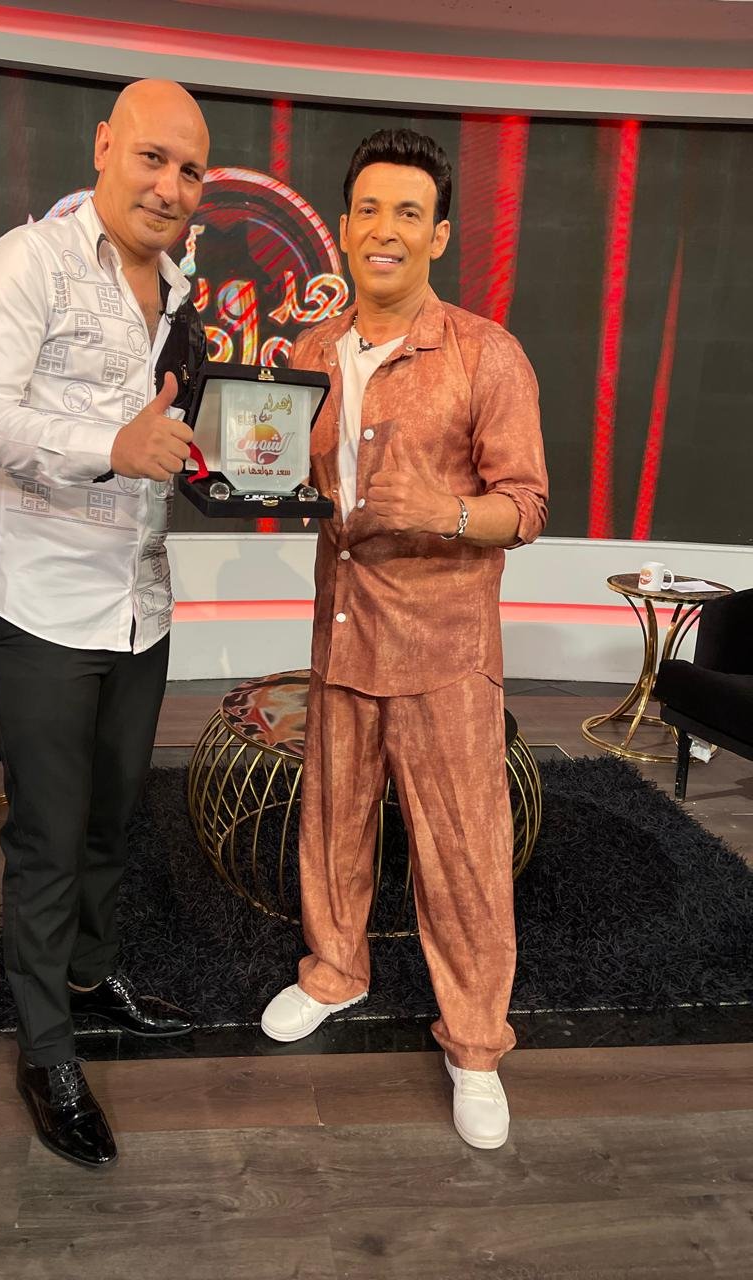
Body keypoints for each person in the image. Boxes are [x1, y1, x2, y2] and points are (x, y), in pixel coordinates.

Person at [260, 128, 548, 1151]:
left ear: (440, 234)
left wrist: (446, 511)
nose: (386, 230)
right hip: (342, 632)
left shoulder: (484, 352)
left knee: (463, 853)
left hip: (444, 648)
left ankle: (475, 1046)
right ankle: (336, 971)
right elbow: (275, 466)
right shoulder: (307, 355)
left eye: (409, 213)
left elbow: (526, 504)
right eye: (370, 210)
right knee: (332, 823)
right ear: (344, 227)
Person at [0, 80, 210, 1169]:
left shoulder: (182, 290)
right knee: (49, 840)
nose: (170, 187)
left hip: (140, 601)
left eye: (190, 171)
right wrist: (112, 446)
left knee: (111, 819)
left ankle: (91, 979)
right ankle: (46, 1049)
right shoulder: (28, 262)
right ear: (104, 146)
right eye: (153, 158)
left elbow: (172, 435)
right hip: (48, 606)